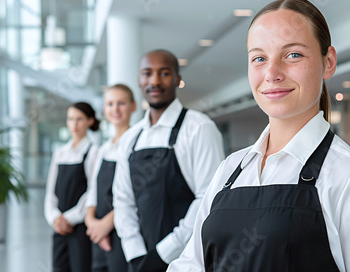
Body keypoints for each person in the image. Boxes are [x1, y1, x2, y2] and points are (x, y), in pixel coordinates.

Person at [168, 0, 350, 272]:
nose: (272, 73)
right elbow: (191, 265)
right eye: (259, 58)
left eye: (293, 54)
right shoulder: (230, 170)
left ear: (328, 62)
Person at [112, 49, 225, 272]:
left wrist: (164, 253)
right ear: (139, 80)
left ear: (177, 80)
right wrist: (136, 254)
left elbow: (209, 199)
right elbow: (123, 199)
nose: (154, 81)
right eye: (147, 73)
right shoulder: (131, 138)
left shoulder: (199, 128)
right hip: (140, 259)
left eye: (164, 73)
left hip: (188, 257)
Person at [85, 84, 136, 272]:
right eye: (110, 104)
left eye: (121, 103)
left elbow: (137, 193)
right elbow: (93, 190)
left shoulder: (136, 143)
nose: (115, 109)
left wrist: (106, 225)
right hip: (97, 233)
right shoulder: (103, 148)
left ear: (133, 106)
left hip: (122, 230)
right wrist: (91, 222)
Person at [44, 102, 100, 272]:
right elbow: (51, 192)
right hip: (59, 227)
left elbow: (92, 191)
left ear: (90, 121)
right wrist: (54, 218)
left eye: (79, 119)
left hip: (80, 226)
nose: (74, 125)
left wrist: (69, 218)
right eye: (70, 119)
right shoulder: (60, 152)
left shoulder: (94, 151)